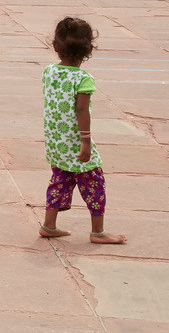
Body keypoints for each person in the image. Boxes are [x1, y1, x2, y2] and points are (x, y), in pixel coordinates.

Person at [37, 17, 125, 245]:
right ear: (89, 50)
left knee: (60, 180)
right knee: (94, 184)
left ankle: (49, 225)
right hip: (76, 144)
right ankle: (98, 232)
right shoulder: (83, 79)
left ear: (55, 46)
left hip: (56, 142)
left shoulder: (49, 72)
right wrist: (86, 142)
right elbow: (81, 111)